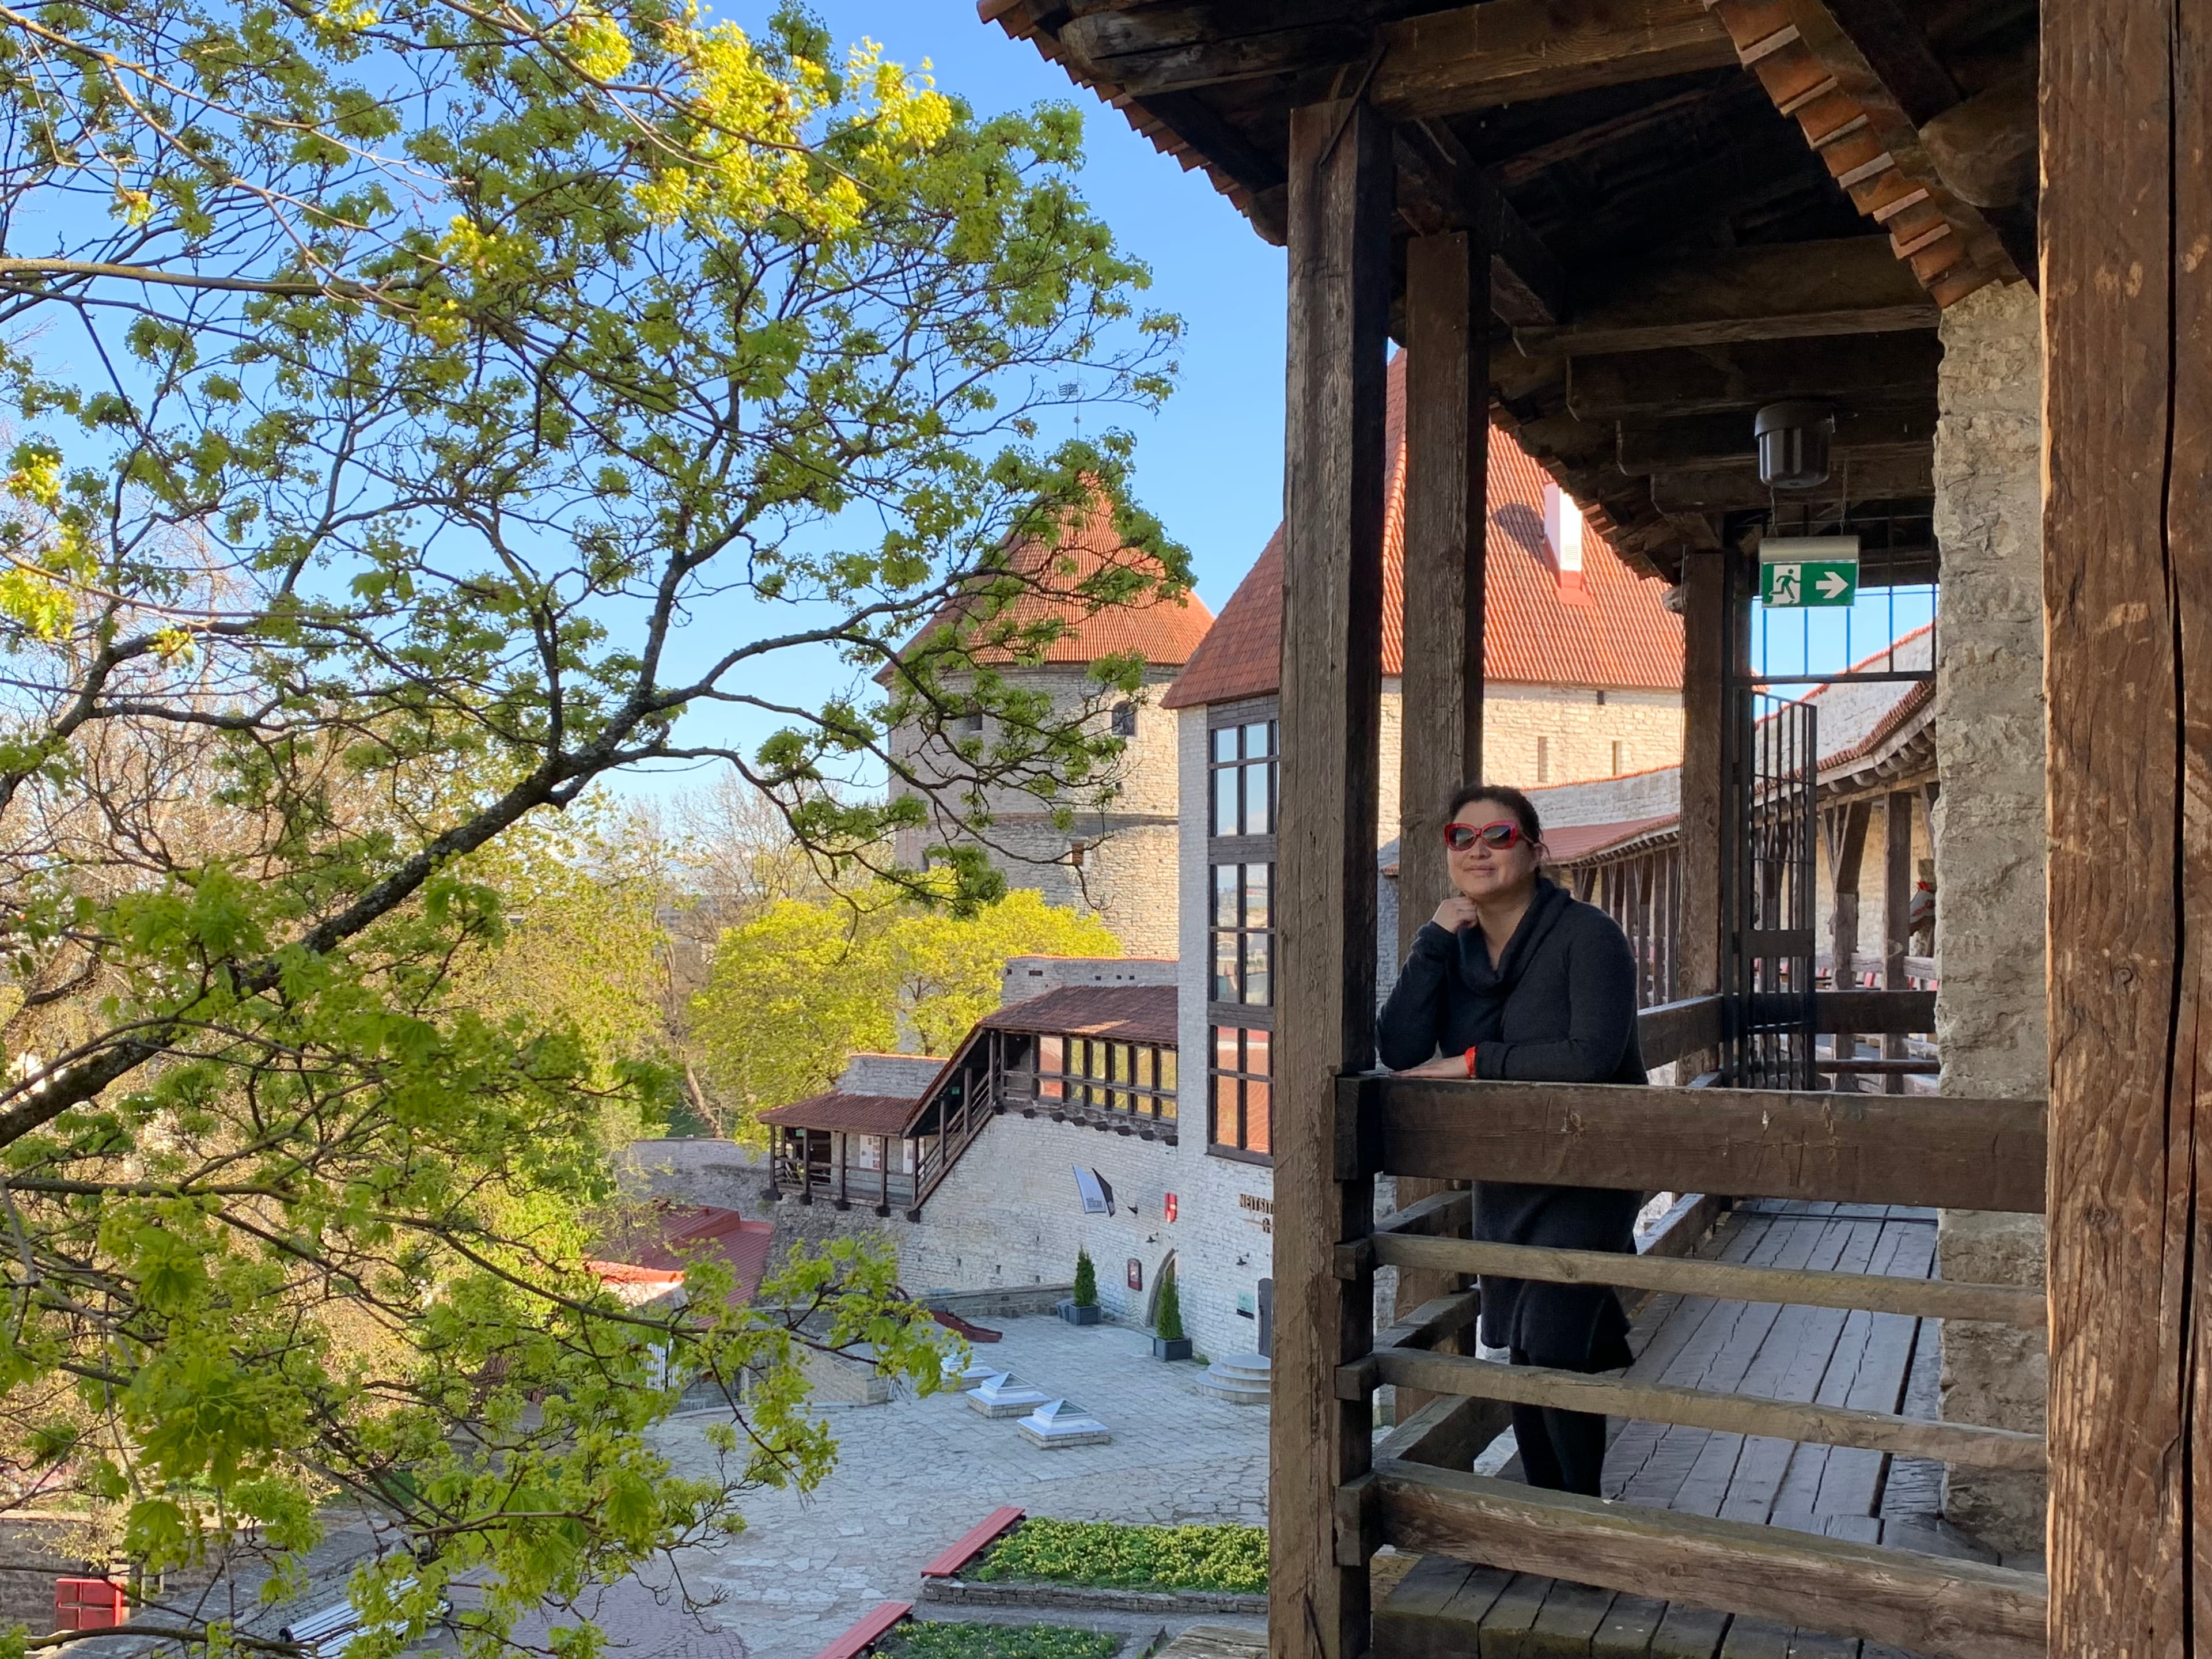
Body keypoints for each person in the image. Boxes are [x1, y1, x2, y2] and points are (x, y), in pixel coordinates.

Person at [1376, 782, 1645, 1497]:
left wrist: (1472, 1062)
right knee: (1522, 1345)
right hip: (1508, 1170)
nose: (1478, 849)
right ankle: (1549, 1502)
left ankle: (1575, 1515)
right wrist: (1433, 943)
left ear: (1534, 849)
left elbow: (1590, 1056)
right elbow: (1400, 1047)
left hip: (1595, 1164)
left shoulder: (1589, 937)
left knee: (1551, 1341)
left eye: (1499, 836)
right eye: (1461, 837)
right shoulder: (1454, 947)